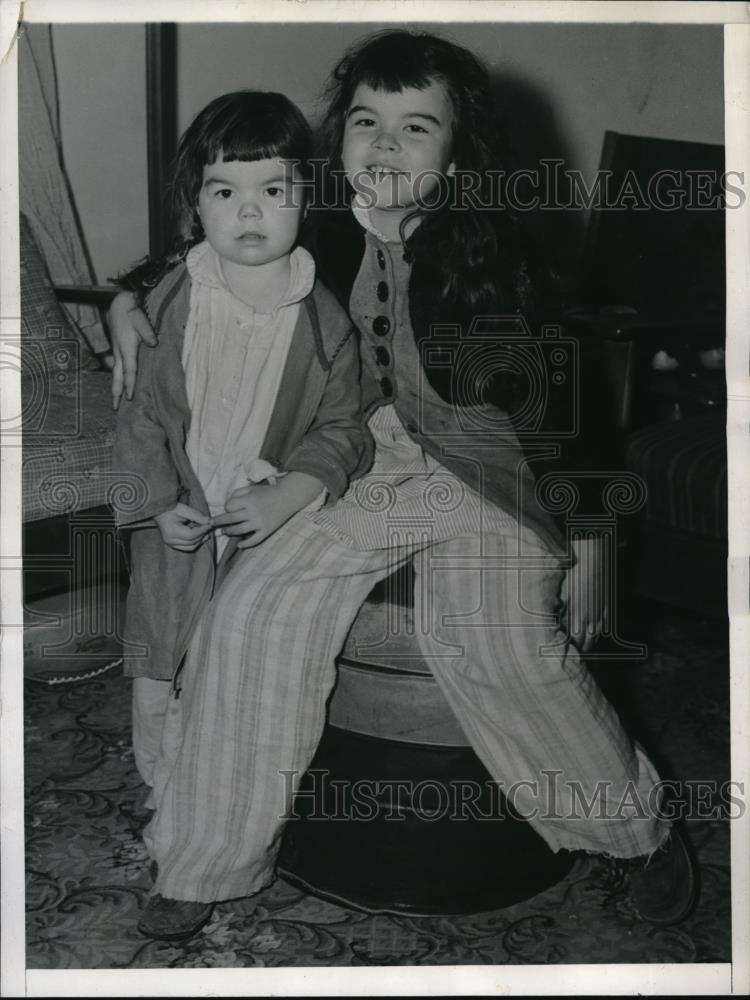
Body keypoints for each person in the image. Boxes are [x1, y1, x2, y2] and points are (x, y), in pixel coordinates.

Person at [110, 31, 697, 941]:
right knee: (255, 607)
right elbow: (222, 243)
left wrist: (592, 542)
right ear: (335, 139)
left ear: (457, 157)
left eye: (414, 127)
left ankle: (634, 831)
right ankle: (203, 860)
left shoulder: (495, 256)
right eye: (365, 122)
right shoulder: (324, 231)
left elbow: (573, 417)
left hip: (495, 466)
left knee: (486, 631)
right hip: (376, 457)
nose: (383, 145)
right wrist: (128, 295)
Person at [111, 90, 368, 937]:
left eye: (273, 190)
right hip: (177, 525)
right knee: (157, 673)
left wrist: (292, 489)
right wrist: (154, 504)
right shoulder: (172, 298)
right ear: (196, 204)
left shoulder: (324, 319)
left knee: (228, 677)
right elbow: (143, 413)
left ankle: (209, 832)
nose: (249, 211)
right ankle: (166, 810)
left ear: (307, 196)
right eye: (226, 192)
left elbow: (343, 430)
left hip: (261, 529)